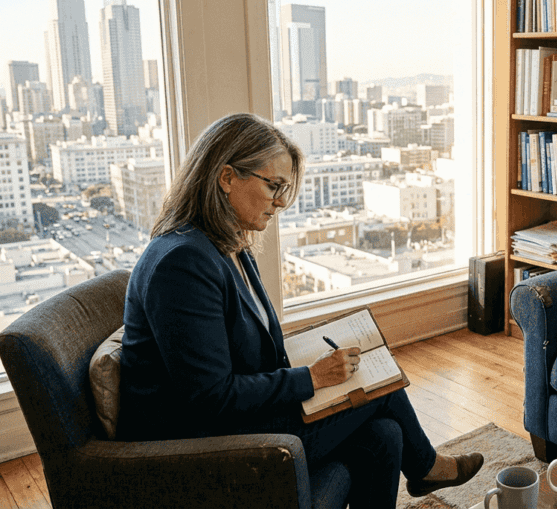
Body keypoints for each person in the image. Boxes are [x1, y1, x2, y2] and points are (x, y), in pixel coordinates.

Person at [118, 113, 482, 507]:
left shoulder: (229, 246)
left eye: (285, 189)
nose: (280, 202)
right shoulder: (182, 262)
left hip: (239, 419)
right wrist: (311, 378)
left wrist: (316, 363)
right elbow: (210, 399)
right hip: (205, 445)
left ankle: (424, 466)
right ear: (226, 178)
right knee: (379, 392)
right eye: (273, 185)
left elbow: (251, 351)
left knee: (386, 433)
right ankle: (427, 467)